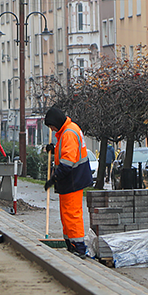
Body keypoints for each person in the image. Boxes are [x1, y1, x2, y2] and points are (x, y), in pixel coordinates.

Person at [43, 107, 94, 258]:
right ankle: (71, 244)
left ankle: (78, 246)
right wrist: (54, 149)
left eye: (51, 126)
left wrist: (53, 179)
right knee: (67, 213)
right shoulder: (67, 131)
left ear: (56, 123)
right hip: (72, 180)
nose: (51, 129)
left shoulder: (69, 133)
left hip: (73, 180)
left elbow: (67, 162)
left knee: (72, 214)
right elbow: (66, 152)